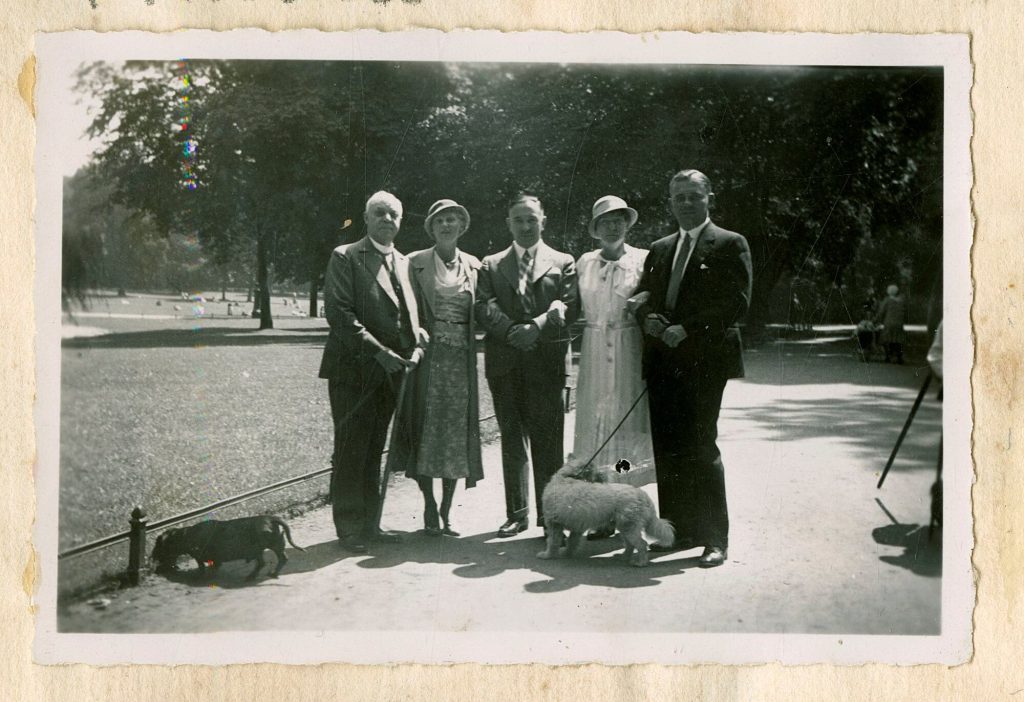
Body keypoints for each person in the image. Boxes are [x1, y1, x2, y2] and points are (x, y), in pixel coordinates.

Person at [633, 169, 752, 568]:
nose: (686, 203)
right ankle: (678, 530)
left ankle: (714, 538)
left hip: (704, 361)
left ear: (708, 198)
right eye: (679, 197)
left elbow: (736, 303)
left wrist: (688, 329)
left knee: (701, 447)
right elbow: (642, 296)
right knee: (668, 449)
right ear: (670, 201)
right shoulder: (660, 247)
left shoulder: (730, 243)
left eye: (694, 196)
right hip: (663, 362)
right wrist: (647, 317)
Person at [318, 191, 428, 554]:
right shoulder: (346, 256)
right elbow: (339, 314)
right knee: (351, 448)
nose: (387, 219)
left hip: (393, 373)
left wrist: (417, 344)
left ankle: (371, 524)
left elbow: (412, 317)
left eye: (394, 215)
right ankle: (350, 528)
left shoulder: (404, 262)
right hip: (353, 371)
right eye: (380, 213)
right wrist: (380, 354)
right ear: (366, 218)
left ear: (401, 221)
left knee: (374, 448)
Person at [475, 193, 579, 539]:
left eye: (531, 219)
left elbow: (568, 305)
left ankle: (553, 518)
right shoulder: (490, 264)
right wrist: (512, 332)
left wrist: (535, 327)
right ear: (508, 223)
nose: (525, 225)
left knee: (548, 442)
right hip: (505, 364)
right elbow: (483, 307)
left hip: (547, 363)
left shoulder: (563, 261)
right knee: (511, 439)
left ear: (543, 221)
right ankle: (516, 513)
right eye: (518, 219)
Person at [402, 199, 485, 536]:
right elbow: (402, 308)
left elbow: (482, 312)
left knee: (454, 436)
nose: (447, 226)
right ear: (432, 228)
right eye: (440, 221)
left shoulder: (475, 266)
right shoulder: (414, 263)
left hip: (460, 363)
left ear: (461, 226)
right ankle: (428, 506)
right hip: (428, 360)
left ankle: (448, 511)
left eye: (452, 220)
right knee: (425, 430)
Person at [572, 195, 655, 486]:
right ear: (596, 228)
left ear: (626, 225)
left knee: (626, 419)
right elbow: (572, 303)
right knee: (595, 419)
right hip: (594, 348)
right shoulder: (584, 263)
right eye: (605, 222)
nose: (612, 228)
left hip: (628, 348)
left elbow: (652, 297)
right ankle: (599, 498)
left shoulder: (642, 259)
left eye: (617, 221)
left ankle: (623, 488)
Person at [875, 283, 908, 364]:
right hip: (899, 323)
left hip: (888, 322)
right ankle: (899, 357)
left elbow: (881, 312)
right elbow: (905, 312)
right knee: (898, 340)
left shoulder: (887, 300)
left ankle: (887, 356)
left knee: (886, 339)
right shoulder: (902, 300)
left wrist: (875, 320)